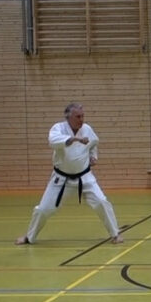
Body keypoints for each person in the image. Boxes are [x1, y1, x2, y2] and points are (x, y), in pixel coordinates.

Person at [15, 102, 123, 245]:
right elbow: (53, 142)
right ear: (68, 117)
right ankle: (29, 237)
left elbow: (94, 143)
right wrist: (75, 139)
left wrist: (93, 156)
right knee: (43, 209)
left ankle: (115, 234)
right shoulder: (58, 128)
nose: (81, 119)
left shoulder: (87, 129)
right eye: (78, 116)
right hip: (61, 179)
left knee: (102, 202)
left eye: (83, 116)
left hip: (85, 177)